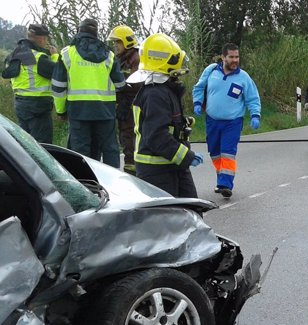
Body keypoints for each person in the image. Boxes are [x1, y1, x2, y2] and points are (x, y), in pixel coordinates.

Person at [127, 33, 203, 197]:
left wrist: (180, 123)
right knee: (172, 218)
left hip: (171, 164)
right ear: (164, 61)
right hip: (157, 170)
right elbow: (156, 136)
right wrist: (186, 156)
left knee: (191, 212)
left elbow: (159, 123)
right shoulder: (156, 94)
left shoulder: (163, 89)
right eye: (176, 59)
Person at [52, 18, 125, 168]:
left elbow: (59, 87)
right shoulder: (109, 55)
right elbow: (120, 84)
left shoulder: (67, 53)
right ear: (96, 33)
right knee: (110, 148)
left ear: (79, 31)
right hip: (105, 111)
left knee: (81, 152)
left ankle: (84, 185)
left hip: (78, 111)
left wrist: (61, 110)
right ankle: (115, 184)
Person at [192, 43, 261, 199]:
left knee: (228, 152)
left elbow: (252, 98)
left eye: (237, 56)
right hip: (212, 121)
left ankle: (226, 184)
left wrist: (255, 115)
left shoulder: (244, 77)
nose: (235, 60)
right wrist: (197, 102)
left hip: (233, 122)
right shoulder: (210, 71)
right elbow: (198, 87)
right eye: (231, 57)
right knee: (215, 152)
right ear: (223, 57)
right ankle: (221, 177)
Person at [1, 24, 58, 143]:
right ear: (41, 39)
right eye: (46, 39)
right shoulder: (38, 57)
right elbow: (58, 73)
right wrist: (55, 56)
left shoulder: (14, 55)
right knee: (42, 145)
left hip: (20, 104)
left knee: (26, 144)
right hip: (38, 106)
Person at [108, 25, 140, 175]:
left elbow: (136, 83)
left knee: (130, 136)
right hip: (124, 103)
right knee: (125, 137)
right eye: (114, 43)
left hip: (132, 104)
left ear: (127, 42)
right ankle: (130, 167)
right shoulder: (120, 59)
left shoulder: (135, 58)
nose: (115, 46)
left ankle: (132, 169)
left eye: (118, 42)